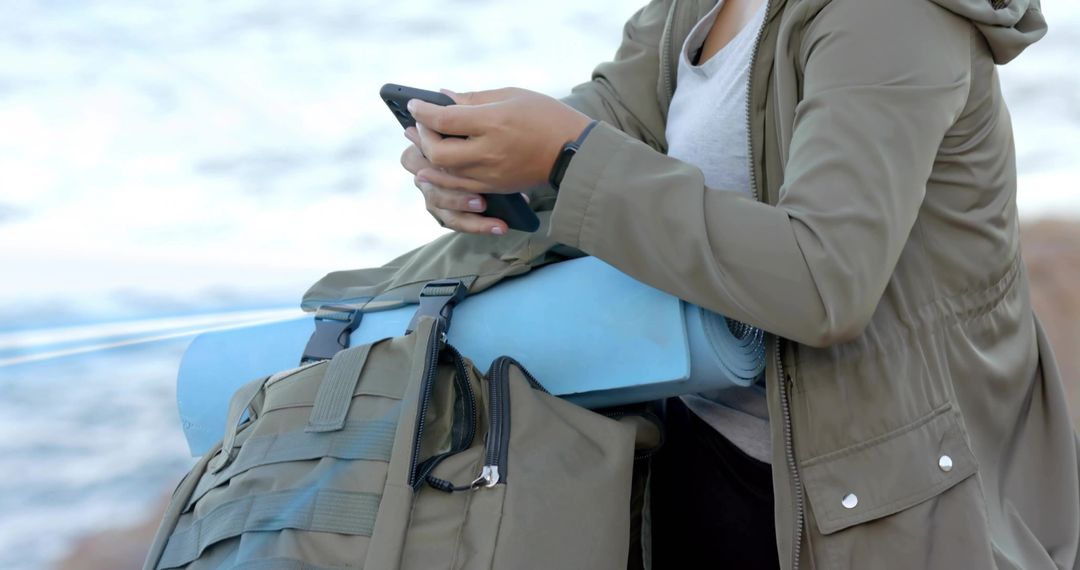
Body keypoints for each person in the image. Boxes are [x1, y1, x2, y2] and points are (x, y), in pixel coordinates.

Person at [399, 0, 1080, 568]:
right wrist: (490, 161)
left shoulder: (889, 16)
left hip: (878, 489)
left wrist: (569, 157)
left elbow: (825, 281)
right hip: (702, 437)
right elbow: (621, 111)